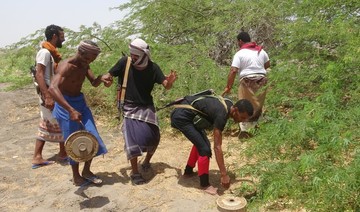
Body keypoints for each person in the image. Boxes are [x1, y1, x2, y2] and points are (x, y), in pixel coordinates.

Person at [102, 38, 177, 185]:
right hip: (129, 107)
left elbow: (166, 85)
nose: (133, 58)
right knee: (132, 140)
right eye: (132, 54)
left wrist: (170, 82)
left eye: (136, 56)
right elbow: (109, 76)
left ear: (144, 55)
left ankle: (147, 161)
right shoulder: (125, 62)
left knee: (154, 137)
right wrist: (107, 80)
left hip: (147, 106)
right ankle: (135, 172)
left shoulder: (153, 68)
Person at [49, 40, 112, 187]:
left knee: (92, 137)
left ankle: (87, 171)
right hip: (65, 105)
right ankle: (76, 176)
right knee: (73, 142)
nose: (90, 61)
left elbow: (93, 82)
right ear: (81, 53)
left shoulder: (85, 64)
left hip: (80, 103)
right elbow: (53, 89)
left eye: (93, 59)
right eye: (90, 58)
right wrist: (70, 110)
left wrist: (101, 79)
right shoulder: (66, 66)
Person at [170, 95, 254, 195]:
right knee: (204, 149)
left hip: (187, 114)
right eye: (242, 117)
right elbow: (217, 147)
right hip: (182, 117)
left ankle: (188, 172)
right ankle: (204, 185)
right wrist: (223, 174)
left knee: (201, 143)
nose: (243, 120)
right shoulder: (222, 114)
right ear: (235, 110)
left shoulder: (229, 104)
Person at [223, 31, 270, 138]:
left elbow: (233, 70)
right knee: (257, 105)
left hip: (247, 81)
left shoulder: (240, 53)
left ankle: (245, 131)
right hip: (262, 81)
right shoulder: (261, 51)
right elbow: (267, 64)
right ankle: (256, 129)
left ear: (240, 41)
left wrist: (228, 86)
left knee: (243, 105)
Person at [32, 24, 67, 169]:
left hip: (51, 93)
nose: (63, 40)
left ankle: (62, 152)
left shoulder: (51, 53)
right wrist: (47, 96)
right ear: (54, 36)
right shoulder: (45, 53)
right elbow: (39, 74)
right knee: (53, 121)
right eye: (61, 36)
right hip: (48, 94)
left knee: (54, 121)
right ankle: (38, 156)